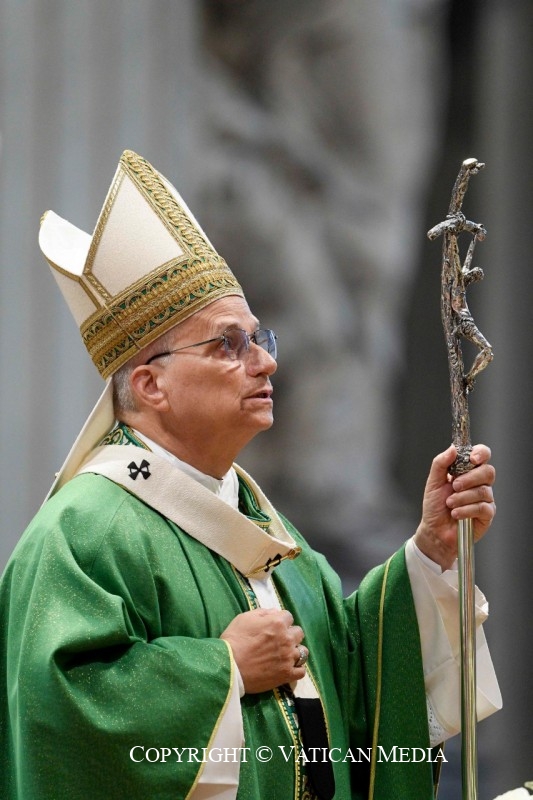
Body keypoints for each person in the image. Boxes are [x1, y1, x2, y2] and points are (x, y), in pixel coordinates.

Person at [0, 150, 500, 800]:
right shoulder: (83, 532)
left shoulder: (266, 531)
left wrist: (430, 550)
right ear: (150, 385)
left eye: (260, 340)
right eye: (227, 345)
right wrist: (224, 668)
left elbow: (347, 680)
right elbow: (58, 722)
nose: (264, 364)